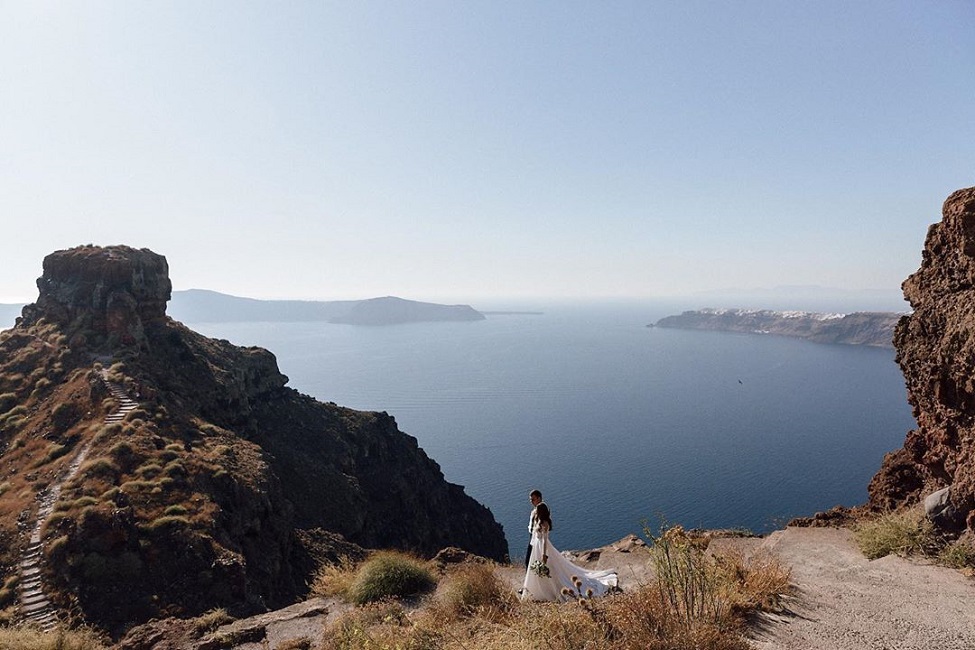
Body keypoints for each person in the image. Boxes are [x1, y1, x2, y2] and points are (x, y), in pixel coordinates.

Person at [520, 494, 619, 602]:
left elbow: (544, 540)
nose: (535, 511)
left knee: (551, 569)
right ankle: (535, 588)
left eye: (537, 510)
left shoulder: (545, 524)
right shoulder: (538, 520)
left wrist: (544, 555)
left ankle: (547, 590)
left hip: (542, 548)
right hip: (536, 547)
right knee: (536, 567)